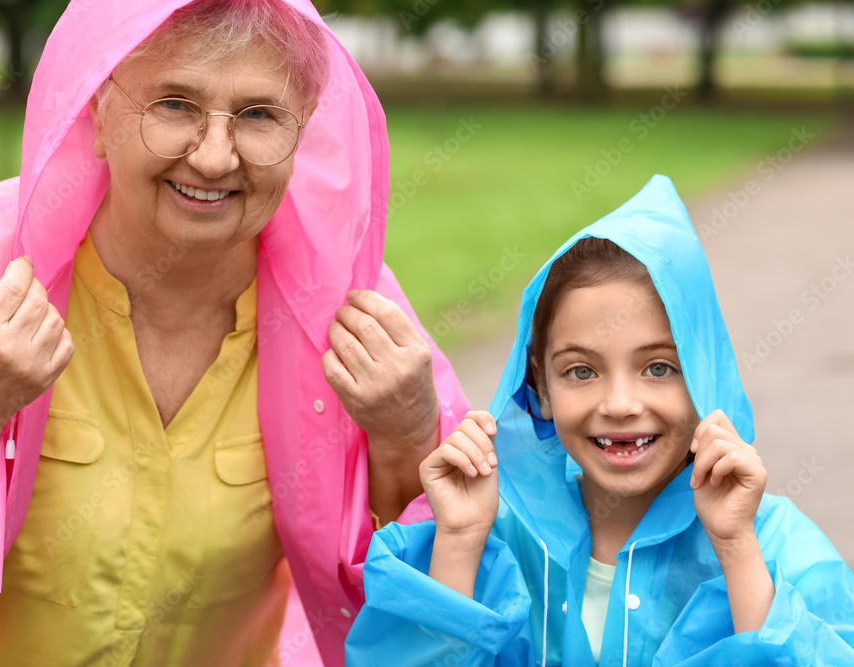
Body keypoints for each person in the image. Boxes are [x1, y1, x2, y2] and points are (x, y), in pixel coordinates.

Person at [0, 0, 471, 664]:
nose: (213, 157)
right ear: (95, 111)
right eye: (174, 105)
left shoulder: (353, 315)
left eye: (259, 115)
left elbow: (431, 613)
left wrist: (406, 442)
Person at [346, 175, 854, 665]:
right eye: (581, 371)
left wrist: (736, 547)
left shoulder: (777, 545)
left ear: (706, 377)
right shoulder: (496, 535)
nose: (619, 403)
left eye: (659, 367)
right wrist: (457, 539)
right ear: (539, 389)